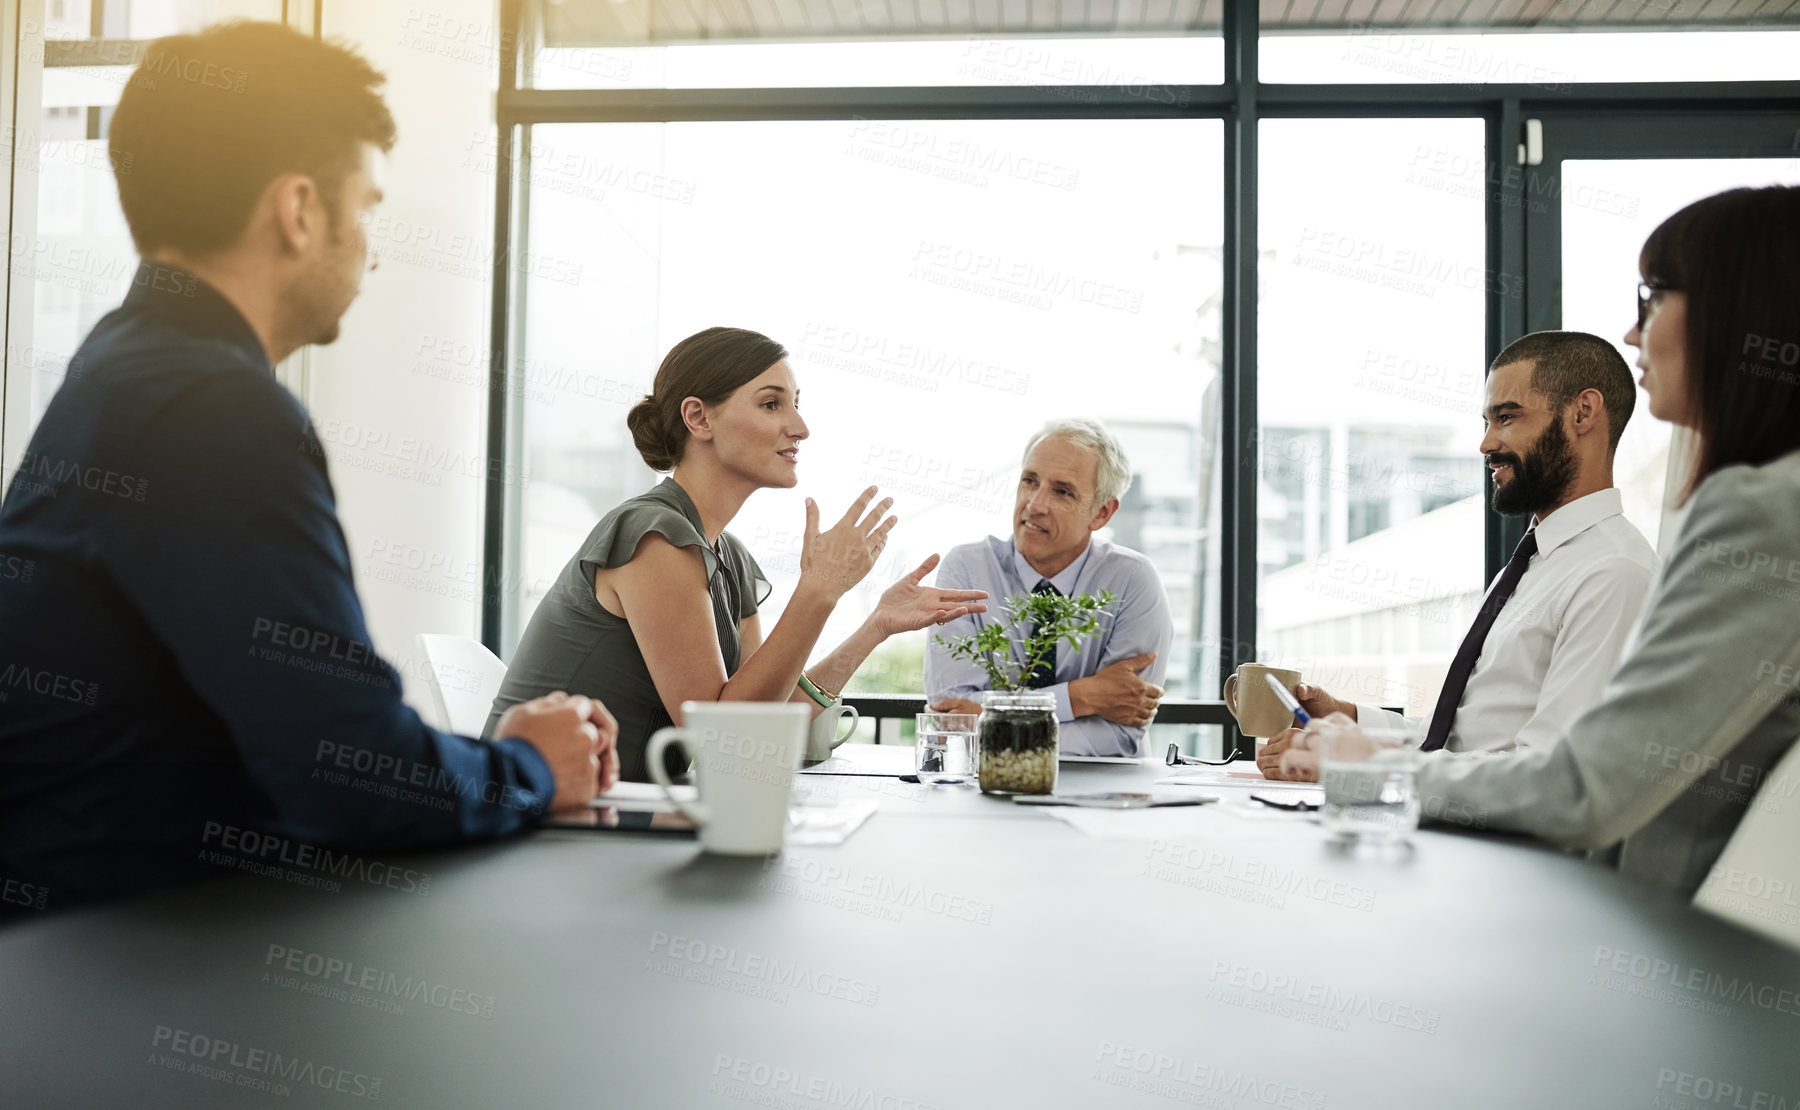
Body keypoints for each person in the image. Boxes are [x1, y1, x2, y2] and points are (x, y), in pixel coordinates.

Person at [0, 23, 617, 920]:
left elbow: (302, 739)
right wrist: (528, 767)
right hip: (113, 962)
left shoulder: (123, 366)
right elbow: (349, 774)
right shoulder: (214, 409)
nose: (373, 247)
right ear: (297, 210)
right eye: (365, 205)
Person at [1281, 185, 1800, 898]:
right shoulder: (1534, 562)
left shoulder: (1722, 527)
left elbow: (1582, 784)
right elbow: (1484, 745)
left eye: (1652, 297)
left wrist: (1364, 771)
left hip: (1628, 928)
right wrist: (1362, 733)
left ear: (1734, 308)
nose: (1633, 331)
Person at [486, 327, 988, 782]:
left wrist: (875, 625)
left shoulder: (731, 557)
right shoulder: (654, 537)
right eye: (772, 404)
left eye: (796, 403)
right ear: (698, 417)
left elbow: (765, 718)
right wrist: (819, 589)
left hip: (622, 806)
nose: (800, 426)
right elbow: (723, 740)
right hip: (541, 813)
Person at [1259, 332, 1658, 778]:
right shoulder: (1534, 564)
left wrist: (1363, 767)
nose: (1486, 444)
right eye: (1487, 423)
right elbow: (1450, 743)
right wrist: (1348, 719)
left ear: (1583, 412)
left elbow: (1549, 775)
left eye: (1507, 418)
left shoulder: (1613, 574)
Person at [924, 418, 1175, 757]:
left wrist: (990, 721)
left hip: (1100, 794)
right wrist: (1080, 697)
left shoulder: (1133, 581)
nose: (1035, 504)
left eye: (1062, 491)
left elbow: (1118, 735)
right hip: (985, 788)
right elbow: (951, 717)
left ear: (1101, 513)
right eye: (1030, 481)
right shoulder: (967, 570)